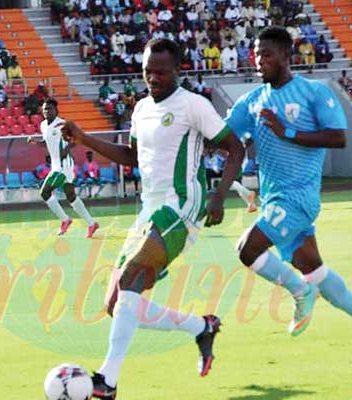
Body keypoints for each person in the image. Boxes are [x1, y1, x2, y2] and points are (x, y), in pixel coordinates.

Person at [60, 38, 245, 399]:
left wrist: (219, 195)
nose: (153, 78)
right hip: (148, 208)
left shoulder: (194, 106)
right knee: (116, 304)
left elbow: (235, 147)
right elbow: (131, 156)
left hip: (182, 205)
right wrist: (85, 138)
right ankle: (201, 327)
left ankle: (107, 381)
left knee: (131, 280)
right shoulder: (141, 107)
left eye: (161, 71)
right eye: (148, 71)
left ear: (179, 70)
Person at [225, 27, 352, 367]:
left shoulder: (313, 92)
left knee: (247, 249)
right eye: (256, 54)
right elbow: (221, 134)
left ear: (286, 56)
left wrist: (288, 132)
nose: (259, 60)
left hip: (298, 198)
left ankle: (299, 293)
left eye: (266, 54)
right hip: (275, 200)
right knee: (315, 271)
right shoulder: (252, 102)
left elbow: (339, 137)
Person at [26, 98, 100, 238]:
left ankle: (65, 220)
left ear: (56, 110)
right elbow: (46, 142)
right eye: (45, 109)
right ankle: (92, 224)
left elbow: (77, 138)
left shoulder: (62, 124)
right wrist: (35, 142)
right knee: (71, 196)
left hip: (64, 166)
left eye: (50, 109)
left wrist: (67, 149)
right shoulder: (43, 125)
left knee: (45, 192)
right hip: (56, 165)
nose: (47, 111)